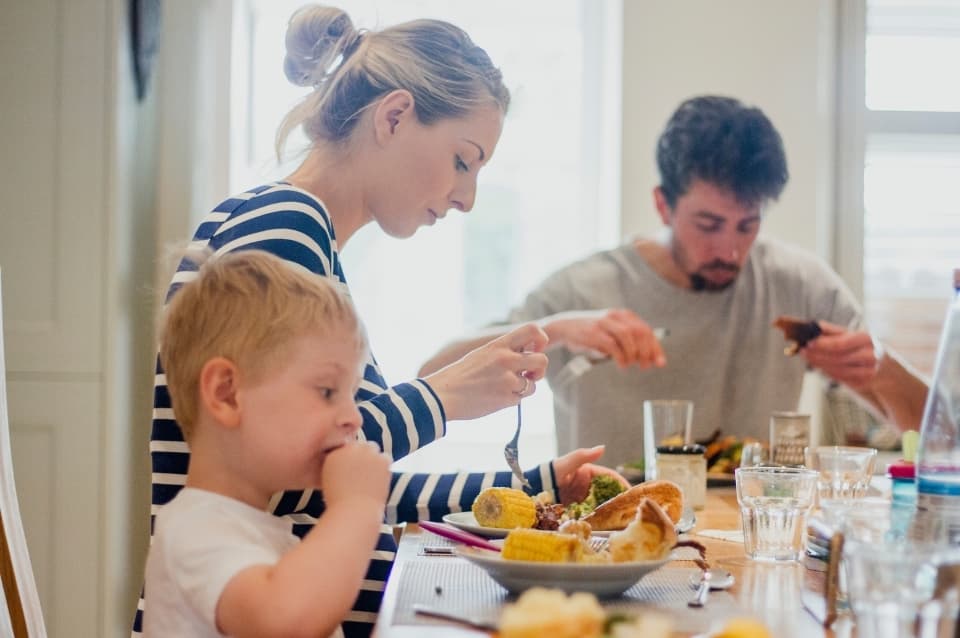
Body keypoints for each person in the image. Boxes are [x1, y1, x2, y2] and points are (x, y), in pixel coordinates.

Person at [135, 5, 623, 637]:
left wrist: (539, 487)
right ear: (393, 117)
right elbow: (321, 467)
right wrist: (444, 396)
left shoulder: (302, 237)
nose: (466, 197)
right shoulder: (284, 227)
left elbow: (349, 480)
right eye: (462, 160)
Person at [420, 95, 929, 468]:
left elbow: (939, 436)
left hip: (747, 546)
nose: (729, 250)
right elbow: (433, 375)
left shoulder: (799, 285)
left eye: (747, 226)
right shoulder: (582, 291)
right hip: (607, 540)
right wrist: (558, 329)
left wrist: (879, 367)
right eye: (708, 225)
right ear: (663, 204)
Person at [144, 249, 390, 638]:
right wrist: (357, 508)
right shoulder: (195, 530)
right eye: (327, 391)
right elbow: (285, 620)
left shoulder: (257, 530)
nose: (353, 417)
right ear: (227, 394)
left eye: (352, 394)